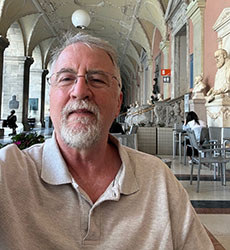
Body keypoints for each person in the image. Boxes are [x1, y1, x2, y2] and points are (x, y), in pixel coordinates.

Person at [0, 33, 214, 249]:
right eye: (66, 78)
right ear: (51, 96)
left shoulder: (158, 179)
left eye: (97, 79)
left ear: (118, 102)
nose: (80, 91)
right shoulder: (9, 172)